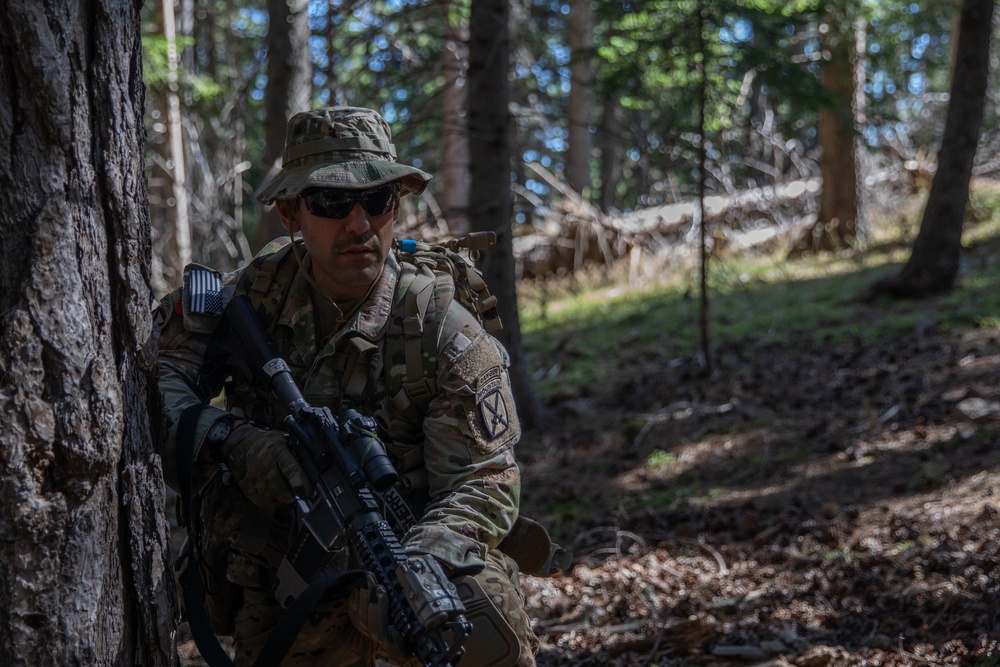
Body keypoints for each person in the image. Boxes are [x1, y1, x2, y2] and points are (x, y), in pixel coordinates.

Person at [155, 106, 542, 666]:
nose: (359, 224)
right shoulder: (247, 300)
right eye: (333, 203)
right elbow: (161, 381)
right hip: (290, 571)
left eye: (379, 201)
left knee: (478, 621)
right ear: (291, 211)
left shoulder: (441, 326)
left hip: (408, 550)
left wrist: (424, 557)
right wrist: (232, 442)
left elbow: (485, 477)